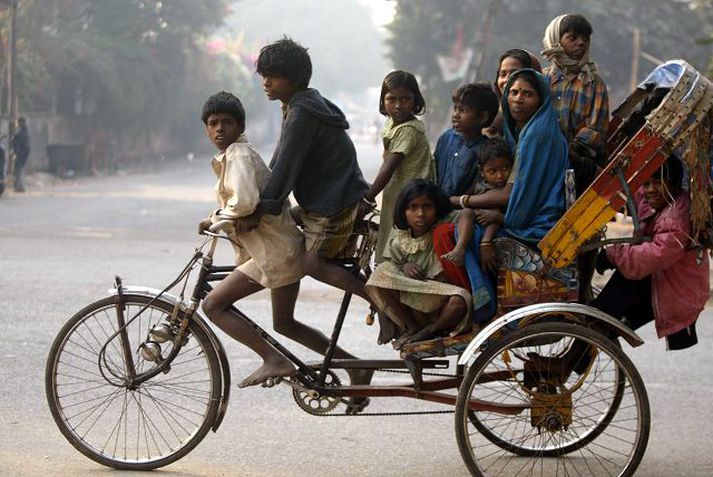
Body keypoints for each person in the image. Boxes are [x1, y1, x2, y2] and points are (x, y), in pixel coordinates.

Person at [198, 93, 370, 397]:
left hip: (275, 254)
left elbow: (244, 202)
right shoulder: (234, 155)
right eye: (213, 124)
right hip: (286, 248)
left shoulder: (237, 154)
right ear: (206, 130)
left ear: (240, 126)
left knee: (213, 305)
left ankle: (273, 359)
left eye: (227, 122)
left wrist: (216, 220)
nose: (220, 129)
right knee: (285, 323)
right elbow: (245, 200)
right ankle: (354, 365)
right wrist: (215, 217)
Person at [236, 38, 373, 396]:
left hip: (335, 203)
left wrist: (261, 209)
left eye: (275, 76)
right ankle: (355, 367)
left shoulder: (302, 112)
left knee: (312, 263)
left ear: (295, 78)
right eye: (264, 76)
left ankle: (378, 298)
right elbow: (279, 162)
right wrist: (260, 201)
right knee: (283, 323)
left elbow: (285, 171)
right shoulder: (298, 105)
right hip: (322, 201)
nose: (266, 83)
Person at [452, 69, 569, 320]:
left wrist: (462, 201)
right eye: (513, 92)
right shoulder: (522, 131)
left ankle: (484, 301)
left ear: (541, 99)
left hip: (539, 221)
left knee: (467, 231)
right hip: (531, 213)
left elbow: (513, 195)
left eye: (527, 94)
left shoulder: (537, 134)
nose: (518, 99)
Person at [594, 156, 709, 350]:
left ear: (673, 185)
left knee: (608, 310)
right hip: (662, 282)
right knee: (602, 325)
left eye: (658, 183)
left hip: (677, 294)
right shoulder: (660, 201)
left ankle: (589, 327)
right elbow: (633, 196)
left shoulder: (675, 219)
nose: (650, 190)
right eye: (646, 183)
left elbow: (647, 259)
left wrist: (611, 255)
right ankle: (574, 354)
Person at [365, 179, 475, 346]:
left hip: (443, 294)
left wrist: (460, 248)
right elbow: (392, 265)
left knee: (460, 300)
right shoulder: (400, 236)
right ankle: (412, 326)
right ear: (404, 211)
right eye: (413, 208)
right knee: (380, 274)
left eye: (427, 207)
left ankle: (430, 330)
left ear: (436, 208)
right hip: (417, 295)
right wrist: (404, 266)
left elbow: (467, 213)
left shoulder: (443, 222)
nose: (421, 214)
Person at [359, 70, 435, 263]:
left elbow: (389, 167)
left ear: (415, 100)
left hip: (411, 196)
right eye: (391, 99)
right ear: (383, 101)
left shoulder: (408, 130)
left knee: (401, 245)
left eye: (405, 99)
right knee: (389, 235)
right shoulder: (390, 123)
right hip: (396, 193)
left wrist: (368, 198)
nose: (398, 105)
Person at [542, 13, 610, 196]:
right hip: (539, 162)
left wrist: (568, 151)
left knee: (566, 212)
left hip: (575, 168)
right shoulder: (541, 80)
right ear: (555, 40)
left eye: (585, 39)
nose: (581, 43)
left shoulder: (594, 84)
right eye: (573, 37)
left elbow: (595, 130)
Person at [434, 82, 499, 198]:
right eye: (455, 108)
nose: (455, 115)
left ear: (482, 117)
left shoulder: (484, 149)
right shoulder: (446, 138)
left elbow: (477, 186)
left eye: (463, 110)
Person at [483, 49, 542, 138]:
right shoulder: (487, 115)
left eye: (515, 74)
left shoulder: (541, 127)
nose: (507, 80)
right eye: (502, 74)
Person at [12, 117, 30, 192]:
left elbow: (24, 146)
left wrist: (18, 153)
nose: (18, 124)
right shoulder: (23, 131)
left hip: (21, 155)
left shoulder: (22, 132)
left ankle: (21, 187)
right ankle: (19, 186)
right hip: (21, 155)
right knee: (19, 171)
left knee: (20, 171)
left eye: (19, 122)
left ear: (21, 122)